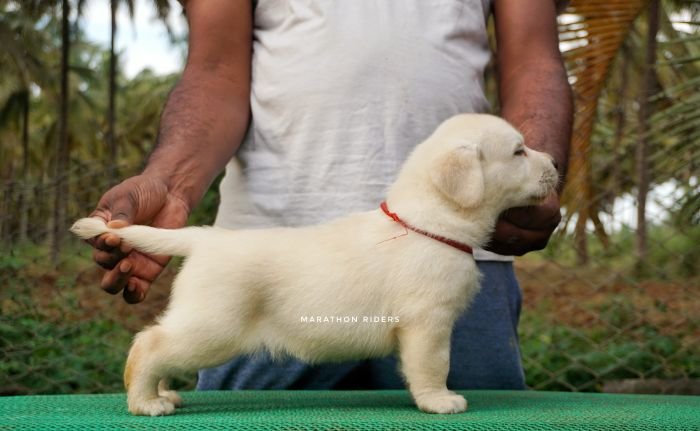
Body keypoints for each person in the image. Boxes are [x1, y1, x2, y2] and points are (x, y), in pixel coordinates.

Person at [87, 0, 572, 391]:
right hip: (274, 256)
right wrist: (171, 184)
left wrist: (531, 179)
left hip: (459, 247)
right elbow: (215, 69)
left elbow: (532, 57)